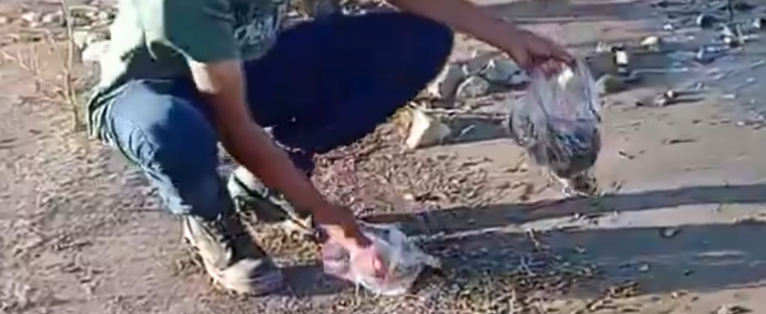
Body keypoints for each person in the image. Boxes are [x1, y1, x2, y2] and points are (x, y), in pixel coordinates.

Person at [87, 0, 571, 296]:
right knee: (173, 134)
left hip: (242, 68)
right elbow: (234, 125)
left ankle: (267, 182)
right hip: (154, 92)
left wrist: (513, 38)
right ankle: (211, 216)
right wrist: (326, 213)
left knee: (417, 41)